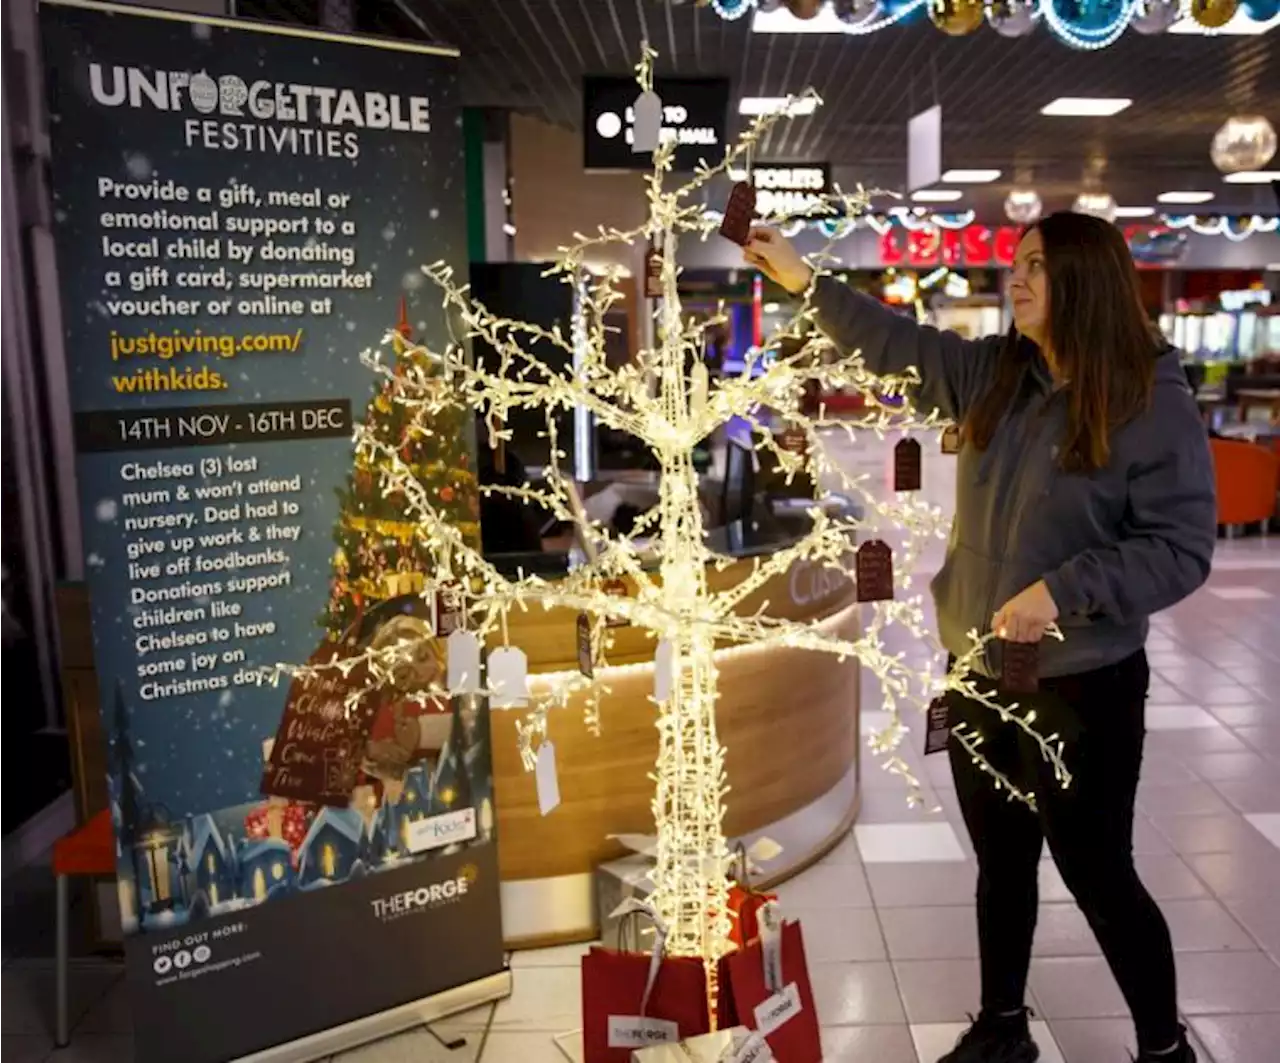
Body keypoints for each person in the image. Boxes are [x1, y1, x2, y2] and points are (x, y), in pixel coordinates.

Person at [745, 214, 1215, 1063]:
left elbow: (1179, 549)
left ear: (1086, 280)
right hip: (979, 674)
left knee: (1097, 871)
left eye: (1036, 265)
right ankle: (1004, 1026)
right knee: (1002, 865)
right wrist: (803, 284)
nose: (1017, 279)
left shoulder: (1149, 401)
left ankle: (1165, 1045)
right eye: (1017, 264)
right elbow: (898, 345)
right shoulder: (999, 373)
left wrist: (1063, 590)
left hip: (1083, 685)